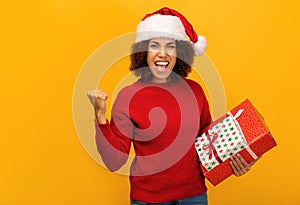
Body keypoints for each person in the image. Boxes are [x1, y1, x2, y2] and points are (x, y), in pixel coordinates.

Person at [87, 7, 257, 205]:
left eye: (170, 46)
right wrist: (100, 115)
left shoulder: (195, 91)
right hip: (149, 200)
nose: (162, 54)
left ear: (180, 52)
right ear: (143, 52)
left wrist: (237, 161)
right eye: (154, 46)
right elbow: (114, 162)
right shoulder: (128, 97)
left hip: (195, 197)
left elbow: (209, 146)